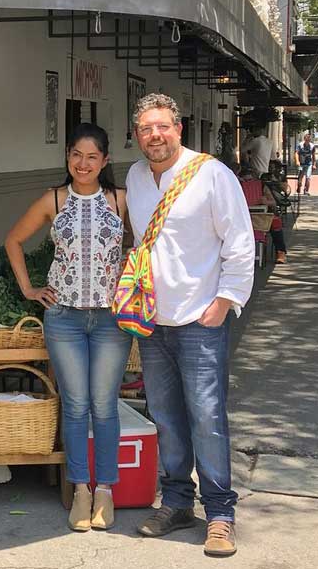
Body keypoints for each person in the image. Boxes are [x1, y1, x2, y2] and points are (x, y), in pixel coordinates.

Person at [126, 93, 254, 558]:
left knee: (207, 418)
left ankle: (220, 513)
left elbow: (239, 243)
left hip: (201, 318)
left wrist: (224, 303)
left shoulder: (211, 175)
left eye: (162, 126)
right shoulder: (136, 177)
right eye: (145, 129)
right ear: (137, 135)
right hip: (154, 322)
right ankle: (177, 501)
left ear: (178, 129)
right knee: (165, 417)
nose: (154, 135)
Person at [4, 123, 131, 533]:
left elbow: (149, 244)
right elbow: (14, 240)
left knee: (104, 405)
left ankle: (106, 490)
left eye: (93, 156)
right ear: (67, 157)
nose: (83, 163)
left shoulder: (121, 200)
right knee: (76, 406)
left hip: (112, 318)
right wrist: (28, 287)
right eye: (77, 154)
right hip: (64, 318)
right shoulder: (54, 199)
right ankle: (81, 489)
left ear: (105, 161)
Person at [237, 167, 288, 264]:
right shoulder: (237, 187)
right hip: (243, 217)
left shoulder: (262, 186)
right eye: (246, 180)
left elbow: (273, 202)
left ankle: (280, 252)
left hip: (262, 216)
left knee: (276, 223)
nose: (249, 183)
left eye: (250, 180)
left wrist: (266, 202)